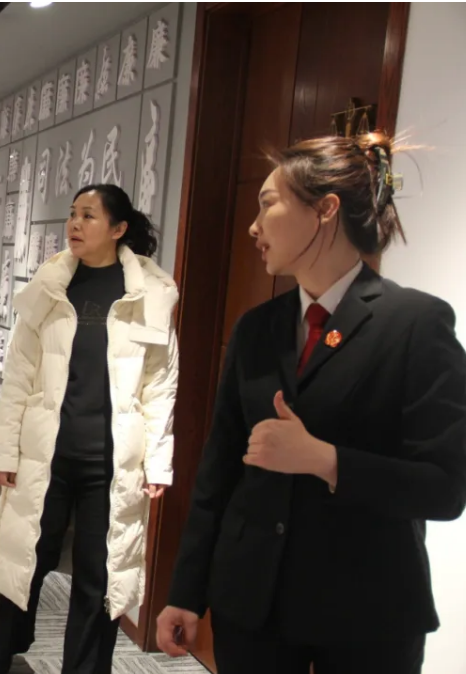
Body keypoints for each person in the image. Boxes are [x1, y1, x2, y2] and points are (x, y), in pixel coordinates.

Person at [156, 133, 466, 674]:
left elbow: (444, 488)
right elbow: (218, 471)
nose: (254, 227)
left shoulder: (416, 323)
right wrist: (185, 590)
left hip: (367, 614)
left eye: (268, 204)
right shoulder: (257, 328)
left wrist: (325, 460)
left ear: (325, 210)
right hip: (251, 607)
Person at [0, 184, 179, 674]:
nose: (74, 223)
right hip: (46, 455)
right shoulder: (50, 285)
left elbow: (160, 385)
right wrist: (5, 451)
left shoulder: (150, 294)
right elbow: (19, 374)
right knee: (27, 557)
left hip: (110, 464)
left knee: (100, 575)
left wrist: (158, 461)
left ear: (118, 229)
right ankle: (6, 643)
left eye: (88, 216)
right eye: (73, 214)